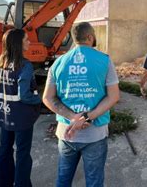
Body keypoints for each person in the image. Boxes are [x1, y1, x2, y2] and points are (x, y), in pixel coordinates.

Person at [43, 22, 120, 187]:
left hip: (66, 131)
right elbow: (114, 96)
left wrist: (73, 117)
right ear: (90, 37)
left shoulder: (58, 63)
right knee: (94, 181)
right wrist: (87, 117)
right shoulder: (104, 60)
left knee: (63, 179)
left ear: (74, 38)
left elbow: (48, 98)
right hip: (95, 134)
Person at [0, 29, 41, 187]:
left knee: (4, 149)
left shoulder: (0, 62)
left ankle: (0, 183)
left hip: (4, 114)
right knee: (22, 153)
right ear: (18, 43)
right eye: (26, 40)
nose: (29, 42)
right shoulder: (25, 65)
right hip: (22, 117)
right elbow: (25, 95)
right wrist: (40, 99)